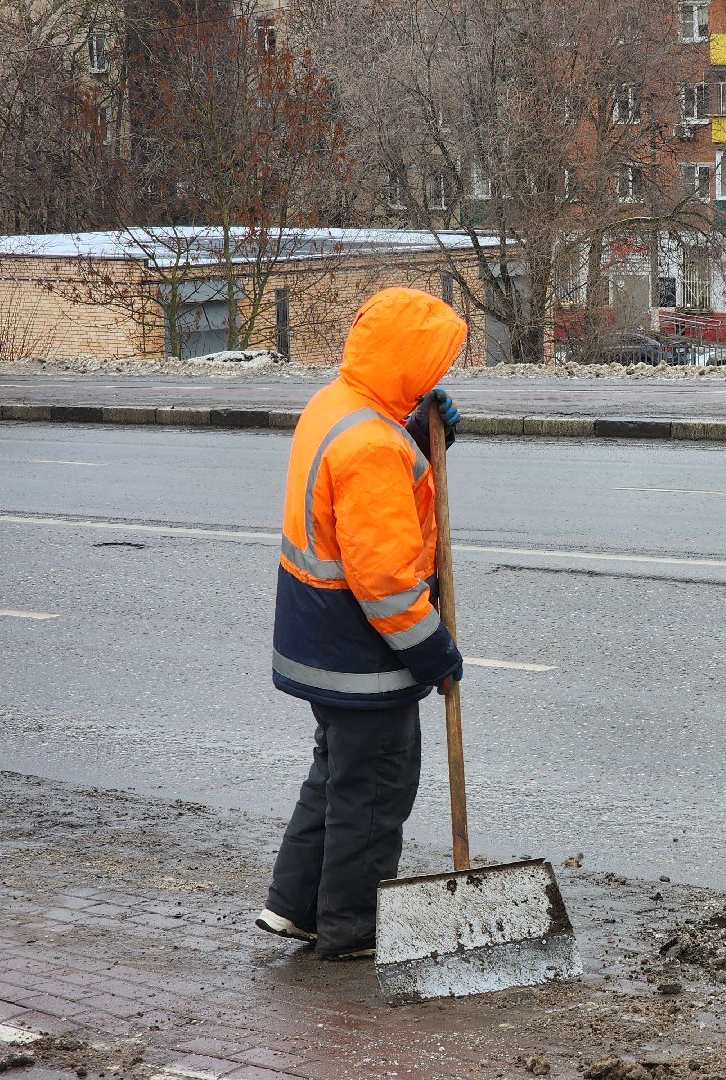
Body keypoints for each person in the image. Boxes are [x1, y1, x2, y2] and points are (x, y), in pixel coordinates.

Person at [256, 286, 467, 961]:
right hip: (362, 651)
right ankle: (352, 928)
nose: (438, 380)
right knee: (375, 788)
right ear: (406, 365)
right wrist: (433, 649)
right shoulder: (372, 443)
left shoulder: (338, 404)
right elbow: (384, 582)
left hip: (320, 640)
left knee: (335, 776)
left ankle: (293, 907)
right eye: (432, 368)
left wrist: (419, 433)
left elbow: (367, 487)